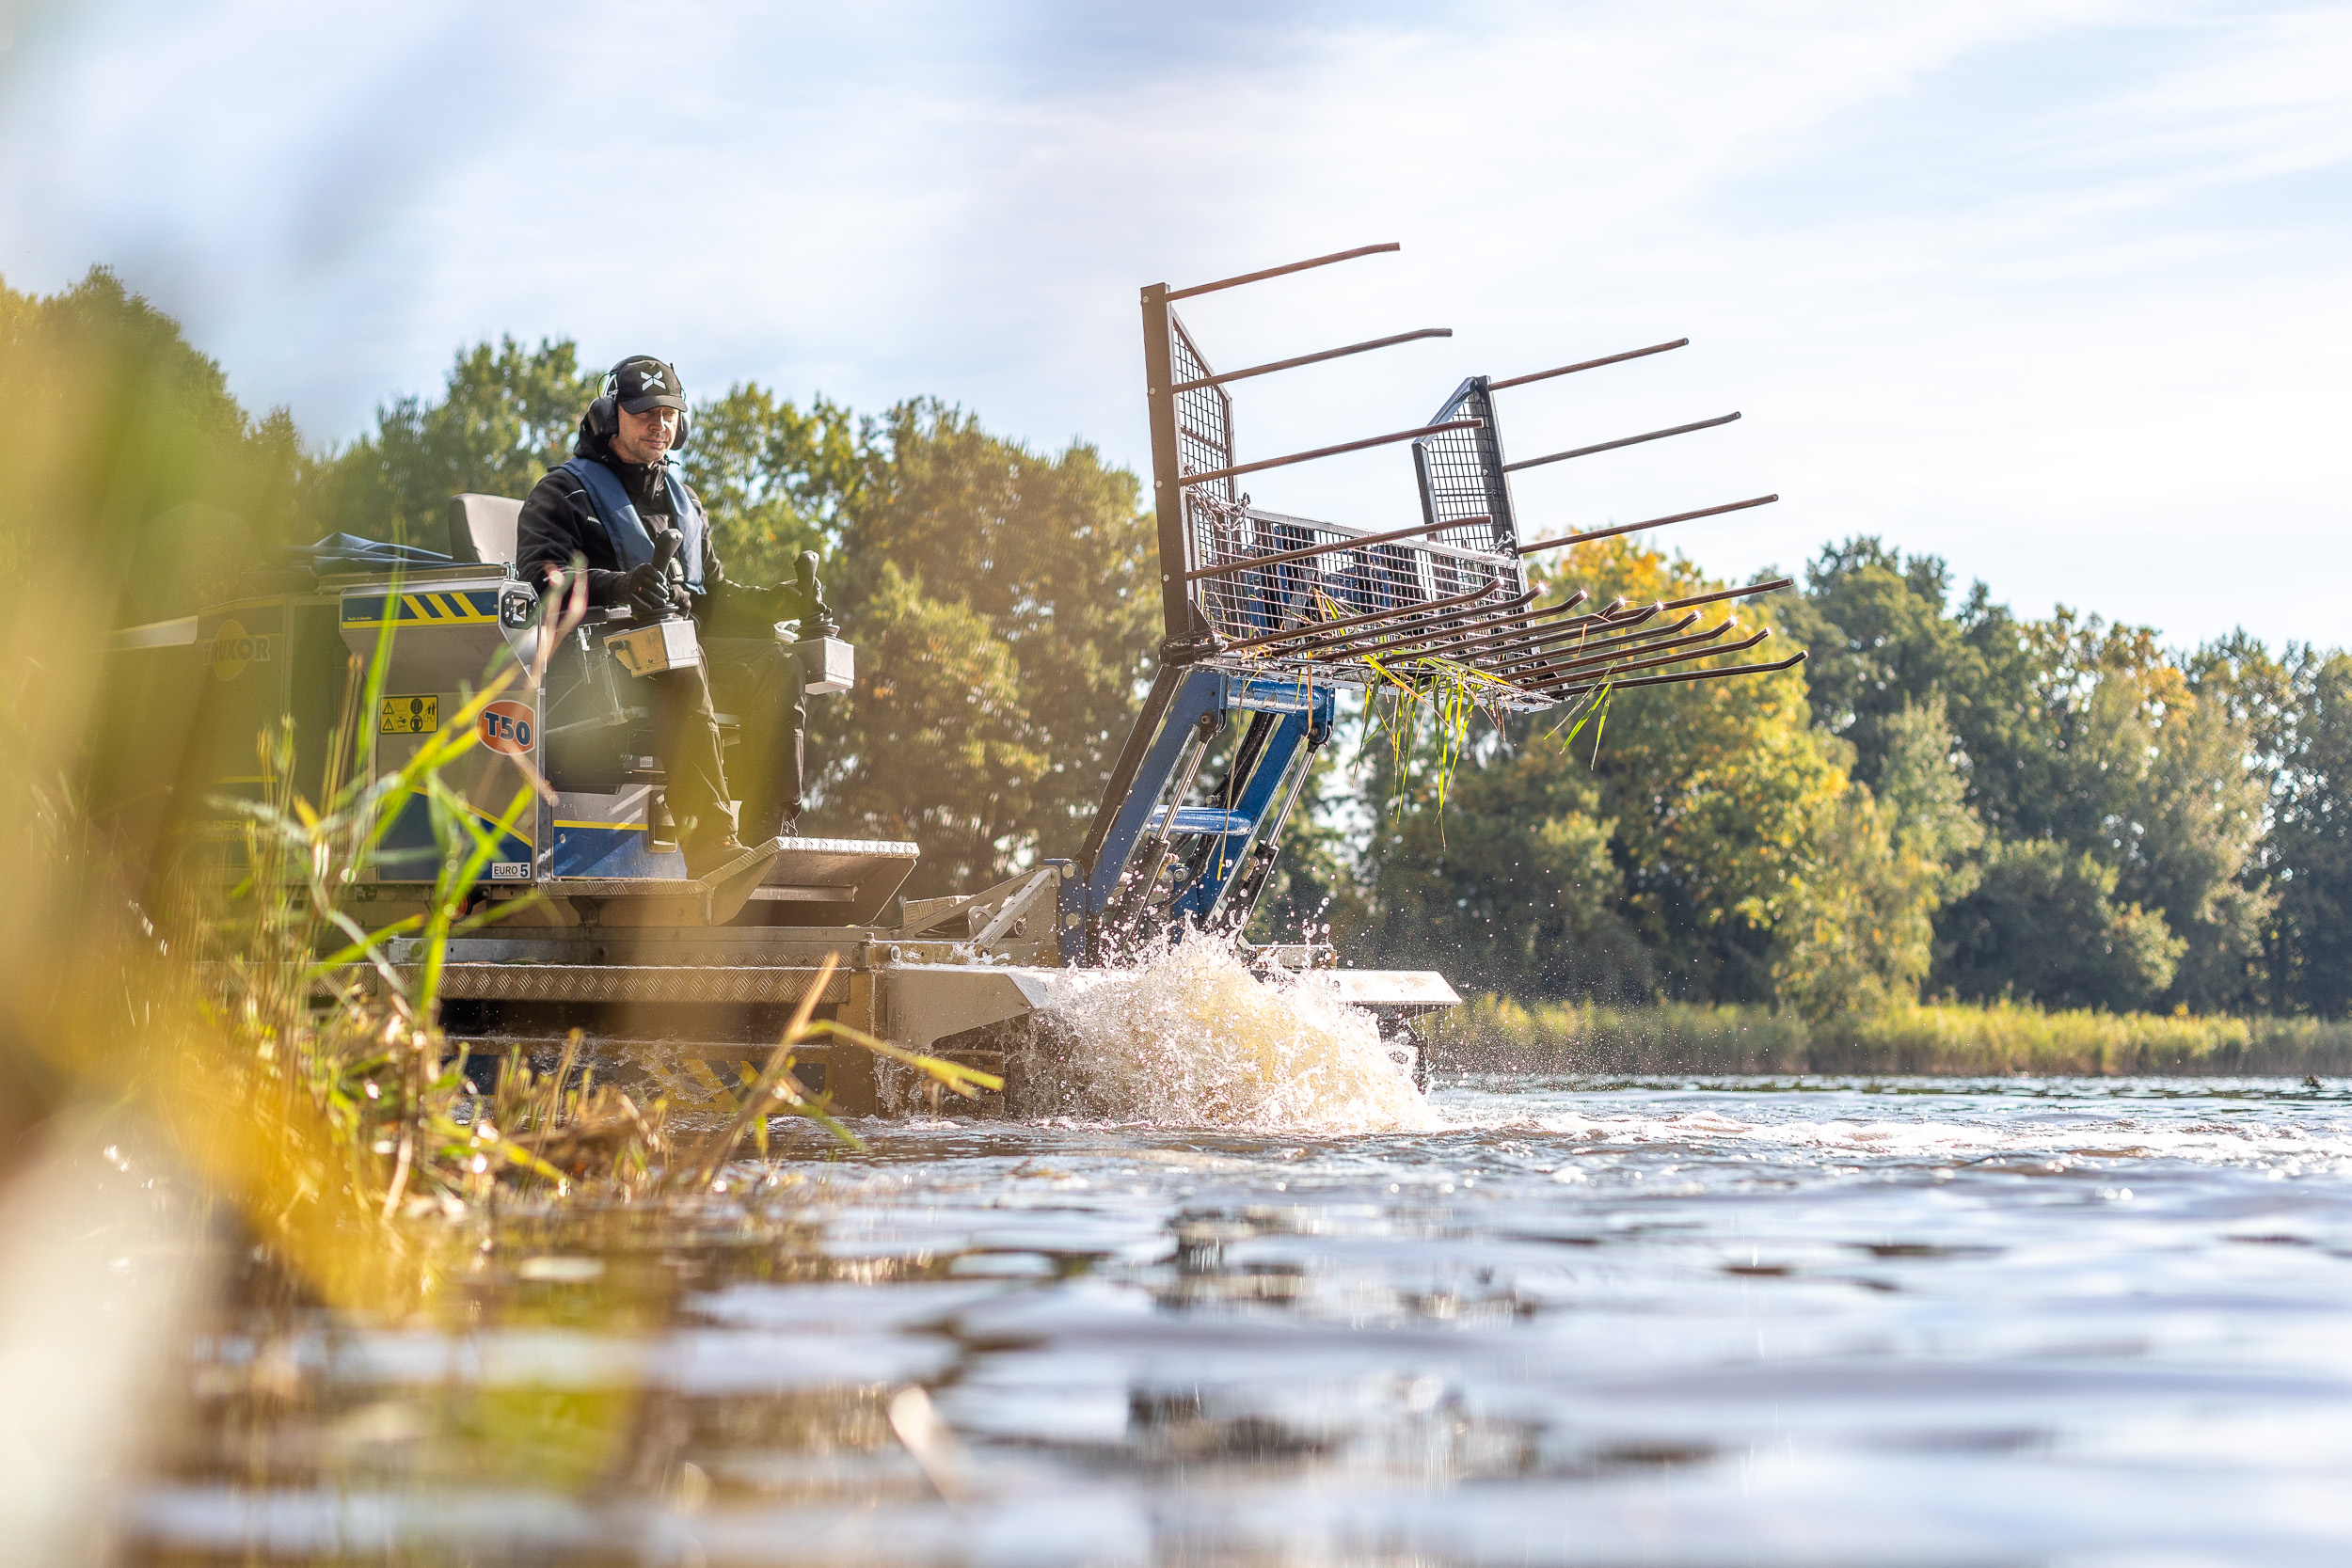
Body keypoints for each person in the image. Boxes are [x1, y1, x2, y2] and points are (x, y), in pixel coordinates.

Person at [516, 355, 822, 876]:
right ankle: (713, 848)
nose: (660, 425)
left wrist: (780, 600)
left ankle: (769, 834)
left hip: (678, 651)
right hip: (591, 668)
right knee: (677, 664)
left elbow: (712, 598)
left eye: (670, 414)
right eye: (644, 413)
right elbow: (540, 581)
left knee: (776, 664)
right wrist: (620, 585)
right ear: (609, 416)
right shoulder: (561, 493)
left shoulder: (686, 502)